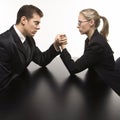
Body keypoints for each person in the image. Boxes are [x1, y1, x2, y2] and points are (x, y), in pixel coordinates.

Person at [0, 5, 66, 91]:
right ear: (23, 20)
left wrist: (56, 44)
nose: (39, 27)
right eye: (36, 22)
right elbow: (2, 83)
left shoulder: (30, 40)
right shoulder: (3, 42)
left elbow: (41, 59)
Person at [56, 8, 120, 95]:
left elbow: (73, 68)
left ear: (91, 22)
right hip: (98, 82)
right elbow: (86, 62)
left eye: (80, 22)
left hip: (108, 87)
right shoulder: (90, 40)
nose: (77, 25)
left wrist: (62, 46)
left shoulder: (97, 44)